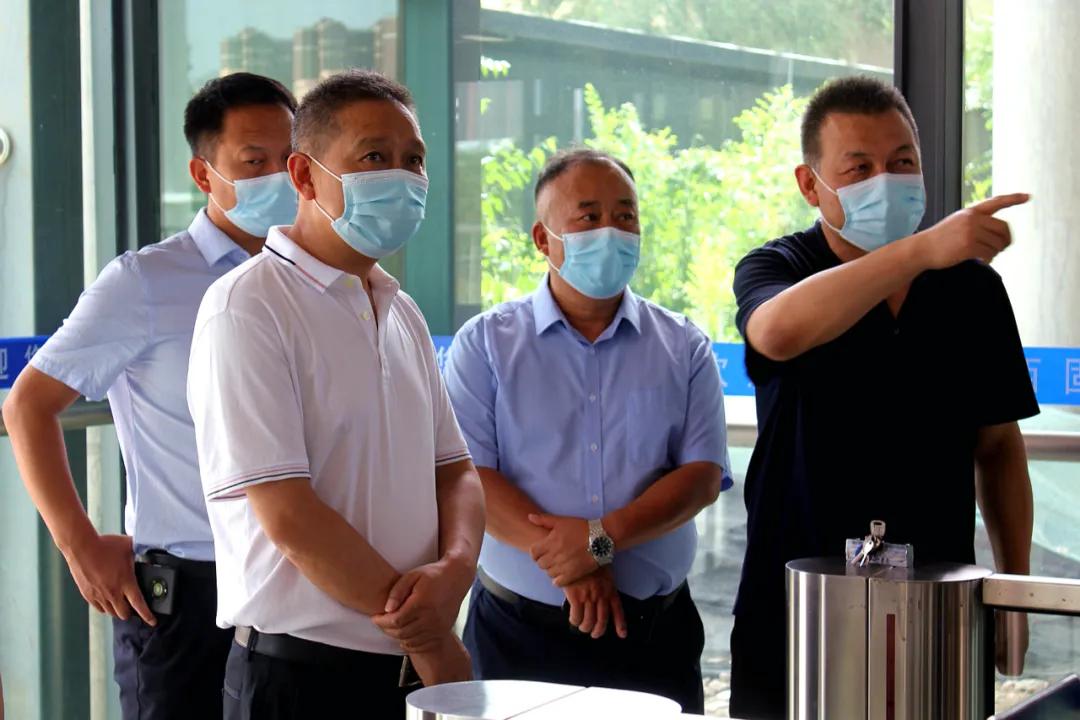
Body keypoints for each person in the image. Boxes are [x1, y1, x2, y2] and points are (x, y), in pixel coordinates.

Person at [728, 76, 1038, 719]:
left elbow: (999, 446)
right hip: (795, 609)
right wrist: (919, 251)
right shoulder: (778, 268)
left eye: (902, 163)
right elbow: (776, 333)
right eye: (860, 169)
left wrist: (1015, 591)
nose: (886, 182)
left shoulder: (970, 290)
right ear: (810, 184)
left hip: (938, 606)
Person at [187, 69, 485, 719]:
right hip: (300, 676)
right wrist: (429, 635)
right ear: (303, 175)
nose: (402, 177)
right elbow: (289, 513)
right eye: (374, 157)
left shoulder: (400, 310)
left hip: (407, 667)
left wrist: (457, 569)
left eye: (414, 160)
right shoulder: (248, 307)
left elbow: (455, 470)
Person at [1, 72, 297, 719]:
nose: (278, 176)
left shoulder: (306, 277)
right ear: (203, 174)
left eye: (289, 157)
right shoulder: (146, 281)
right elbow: (27, 405)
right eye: (254, 162)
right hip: (188, 592)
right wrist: (80, 546)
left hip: (297, 583)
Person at [444, 148, 731, 714]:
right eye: (589, 216)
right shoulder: (485, 344)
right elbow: (470, 478)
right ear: (542, 239)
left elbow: (701, 476)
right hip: (518, 636)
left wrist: (598, 542)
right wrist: (570, 566)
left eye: (625, 216)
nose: (611, 231)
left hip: (654, 638)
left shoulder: (683, 345)